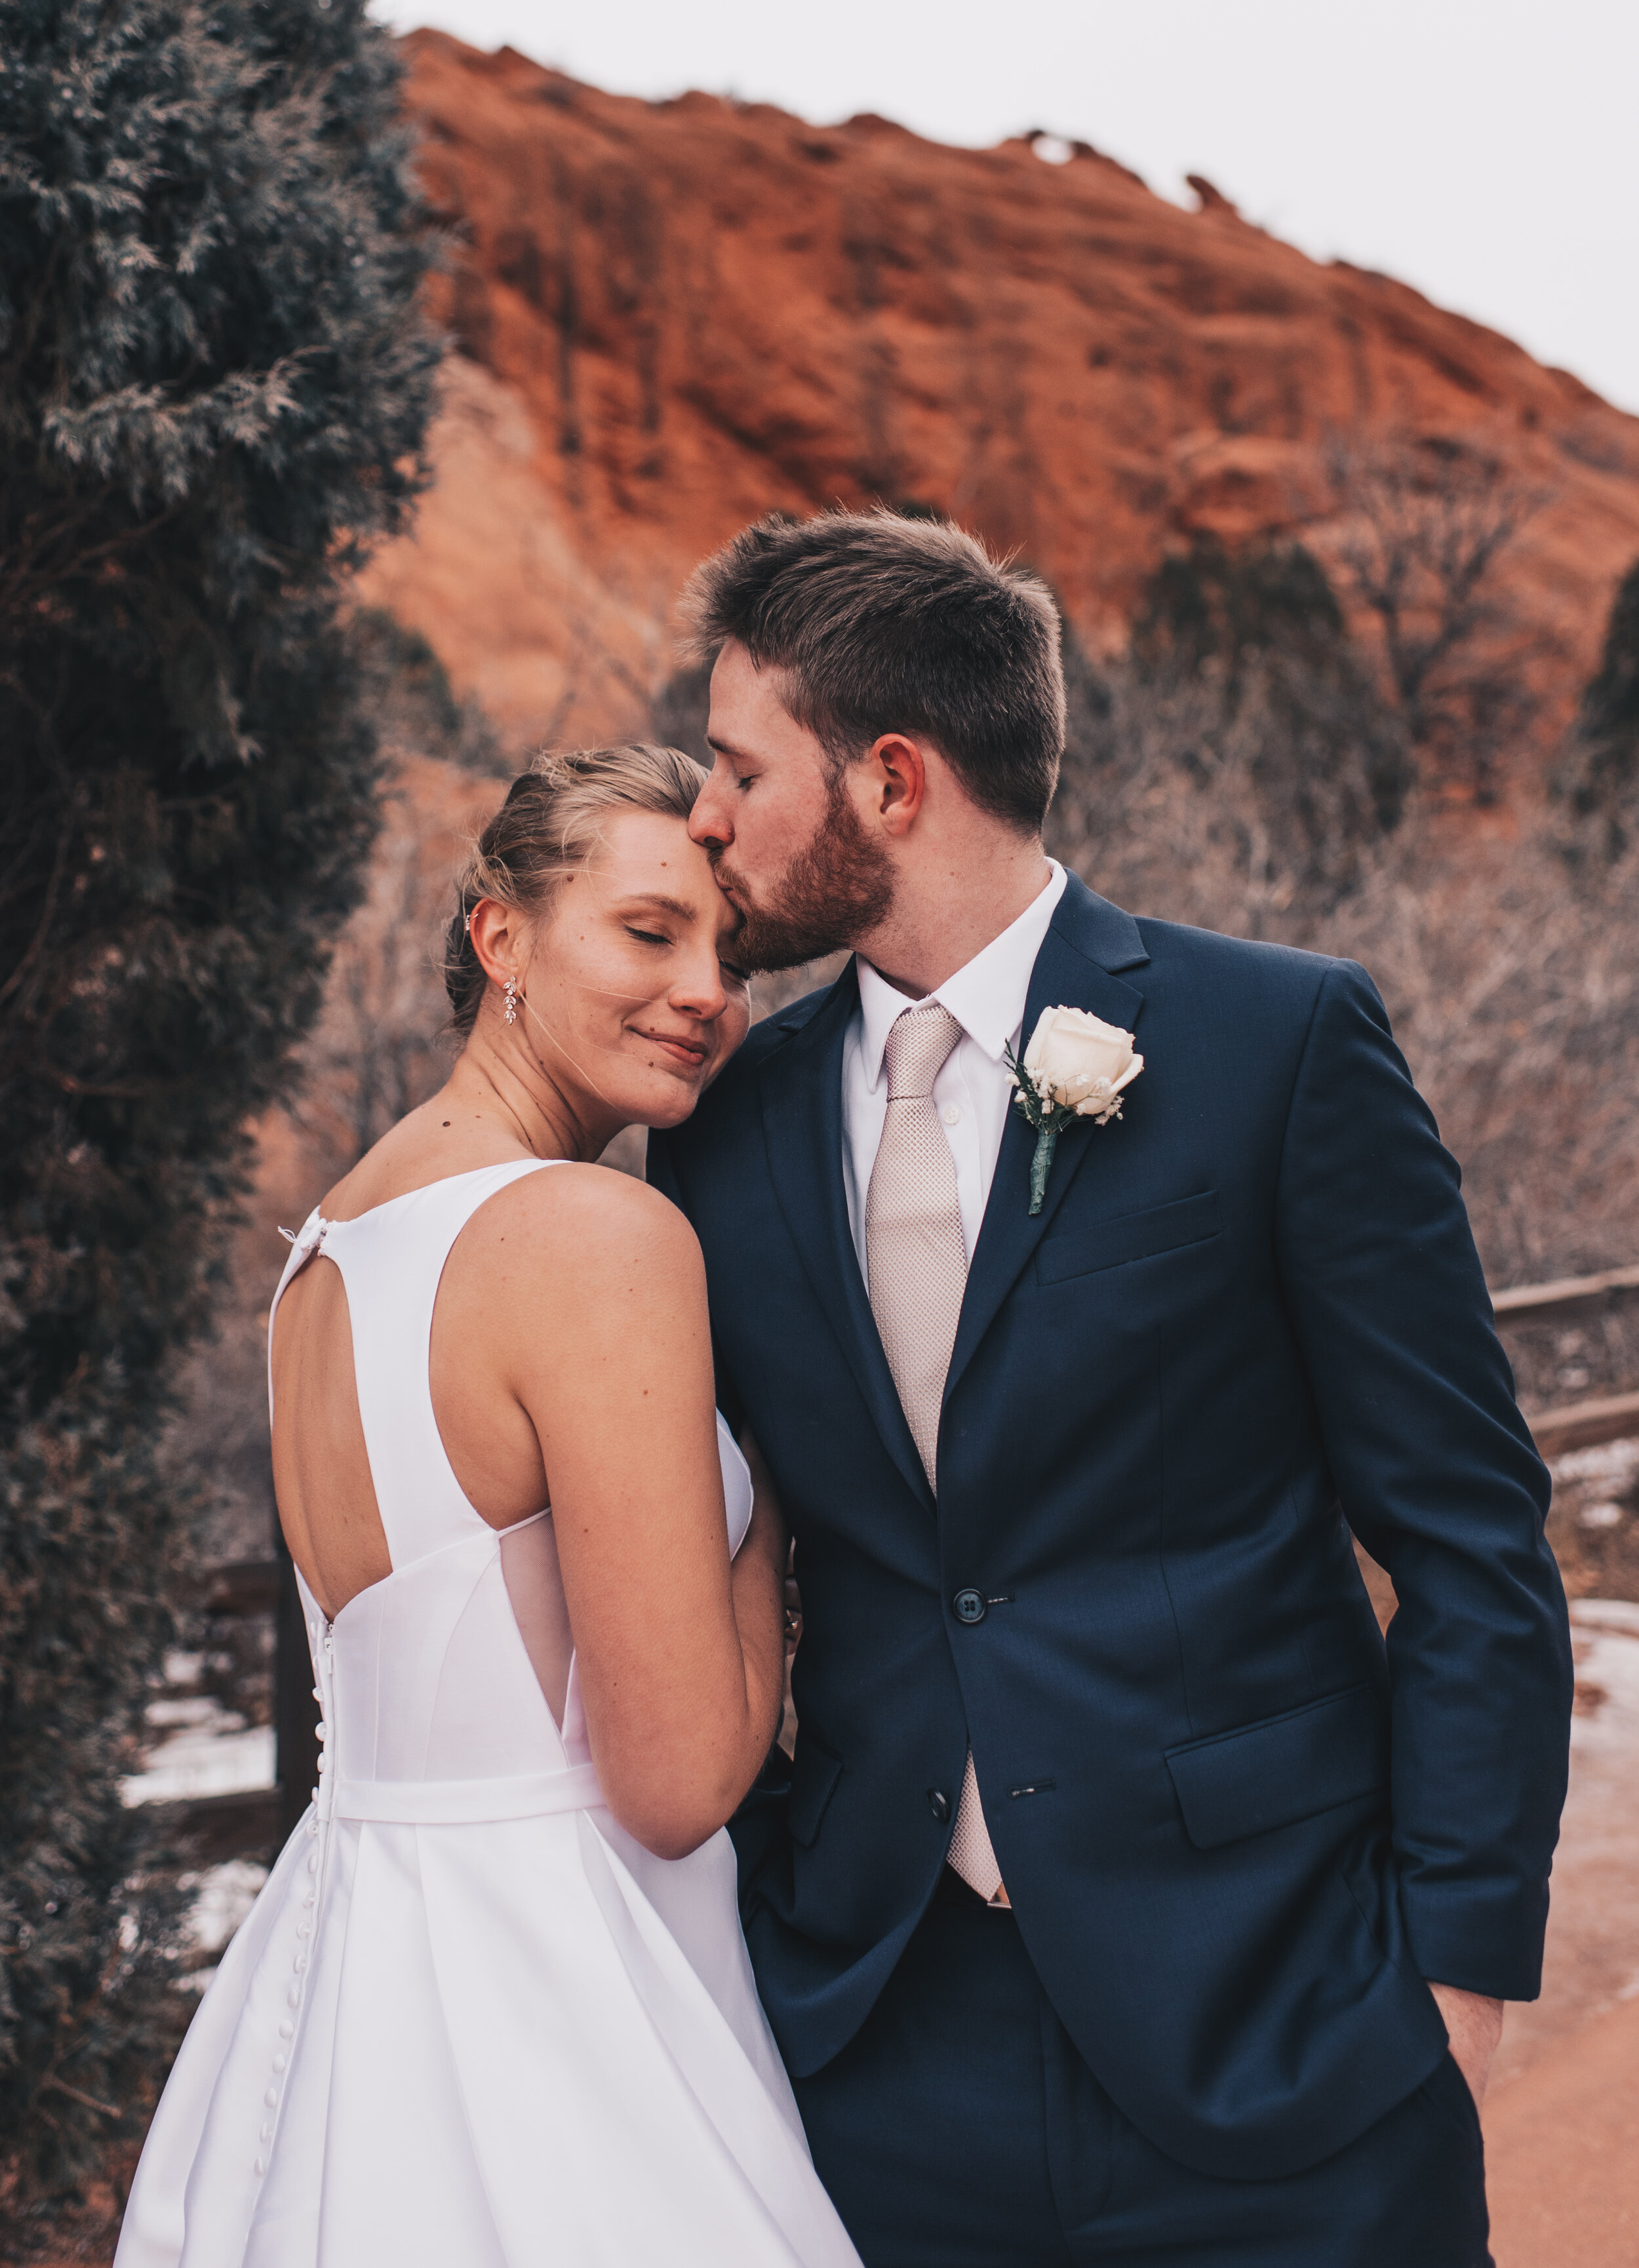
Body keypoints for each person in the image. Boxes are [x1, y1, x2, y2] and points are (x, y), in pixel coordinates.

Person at [648, 510, 1575, 2268]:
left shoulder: (1274, 1045)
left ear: (891, 780)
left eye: (736, 764)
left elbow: (1467, 1534)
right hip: (877, 2043)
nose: (706, 815)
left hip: (1279, 2020)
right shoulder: (724, 1130)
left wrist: (1448, 1981)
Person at [116, 745, 863, 2268]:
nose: (709, 988)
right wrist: (774, 1492)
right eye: (650, 930)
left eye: (730, 945)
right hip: (558, 1991)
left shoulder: (331, 1243)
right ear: (500, 937)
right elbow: (676, 1782)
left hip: (343, 1962)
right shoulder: (594, 1234)